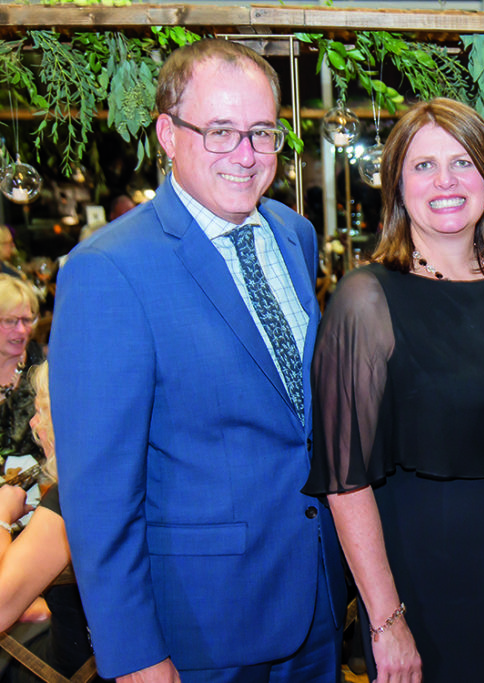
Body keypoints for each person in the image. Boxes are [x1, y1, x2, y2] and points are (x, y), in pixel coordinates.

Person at [48, 38, 345, 682]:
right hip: (201, 632)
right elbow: (99, 495)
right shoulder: (108, 270)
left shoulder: (294, 235)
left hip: (318, 601)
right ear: (167, 134)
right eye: (219, 131)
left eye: (262, 132)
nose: (245, 154)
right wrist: (135, 655)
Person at [303, 97, 484, 683]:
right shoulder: (366, 299)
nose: (445, 182)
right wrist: (385, 621)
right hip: (431, 597)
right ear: (398, 187)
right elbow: (345, 482)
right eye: (423, 166)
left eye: (463, 162)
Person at [0, 362, 110, 683]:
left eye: (40, 412)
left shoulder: (72, 497)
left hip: (67, 671)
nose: (33, 424)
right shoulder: (116, 476)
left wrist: (3, 517)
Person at [0, 274, 45, 467]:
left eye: (27, 320)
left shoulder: (42, 372)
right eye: (10, 321)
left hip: (32, 490)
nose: (21, 330)